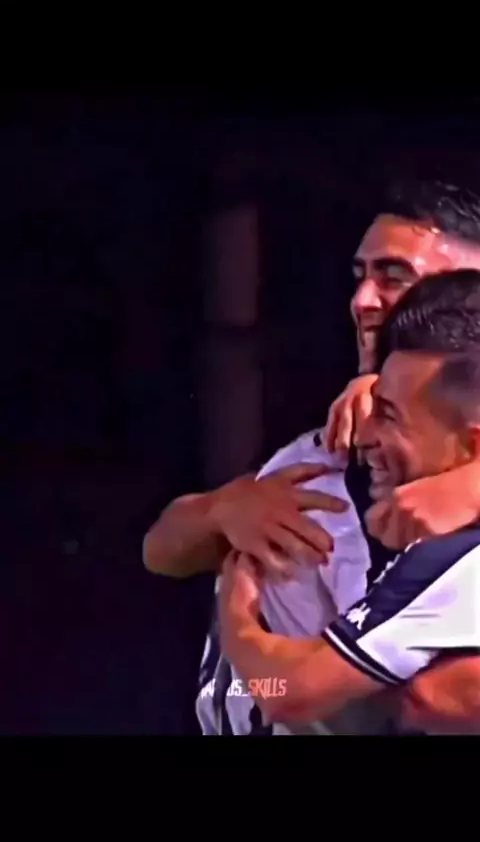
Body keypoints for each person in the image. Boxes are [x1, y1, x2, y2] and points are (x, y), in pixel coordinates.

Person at [143, 178, 480, 733]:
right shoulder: (326, 442)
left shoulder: (449, 515)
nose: (363, 300)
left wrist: (238, 618)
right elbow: (160, 548)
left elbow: (295, 691)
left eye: (394, 276)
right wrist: (222, 509)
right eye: (360, 276)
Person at [219, 269, 480, 734]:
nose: (365, 435)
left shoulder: (449, 563)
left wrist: (236, 612)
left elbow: (289, 691)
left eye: (389, 416)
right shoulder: (314, 476)